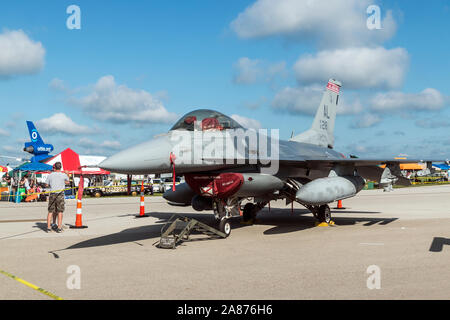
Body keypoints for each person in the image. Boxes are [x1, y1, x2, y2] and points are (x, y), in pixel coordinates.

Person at [44, 162, 69, 233]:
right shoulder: (63, 175)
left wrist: (52, 184)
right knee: (60, 211)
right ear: (60, 167)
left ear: (54, 167)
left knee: (50, 211)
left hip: (52, 194)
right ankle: (59, 227)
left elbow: (46, 184)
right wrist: (67, 174)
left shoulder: (50, 175)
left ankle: (48, 228)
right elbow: (68, 182)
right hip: (60, 194)